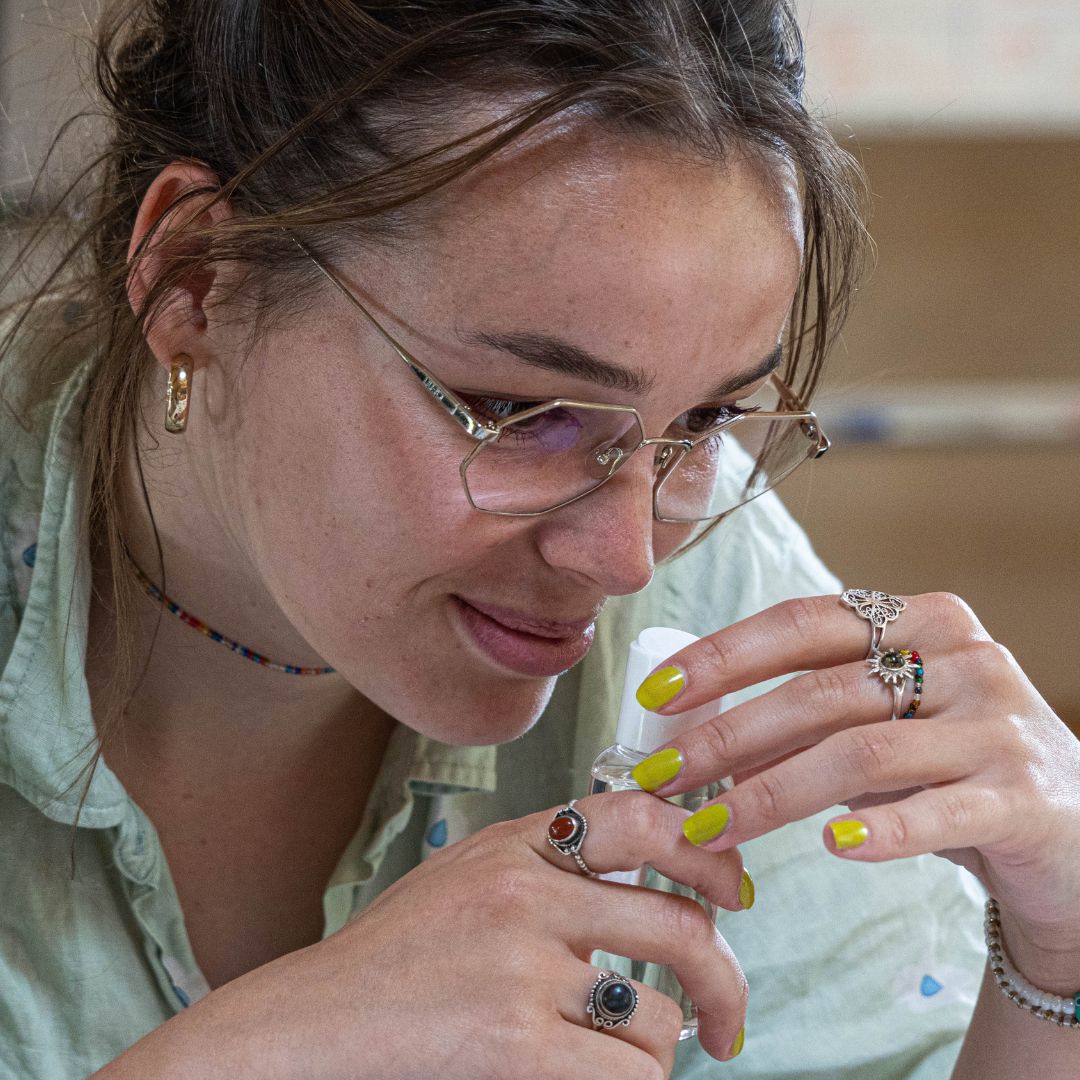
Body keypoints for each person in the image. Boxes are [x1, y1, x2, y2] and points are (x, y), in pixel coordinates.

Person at [1, 1, 1078, 1077]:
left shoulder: (701, 597)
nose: (628, 559)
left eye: (703, 422)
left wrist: (1058, 958)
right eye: (519, 411)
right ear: (196, 280)